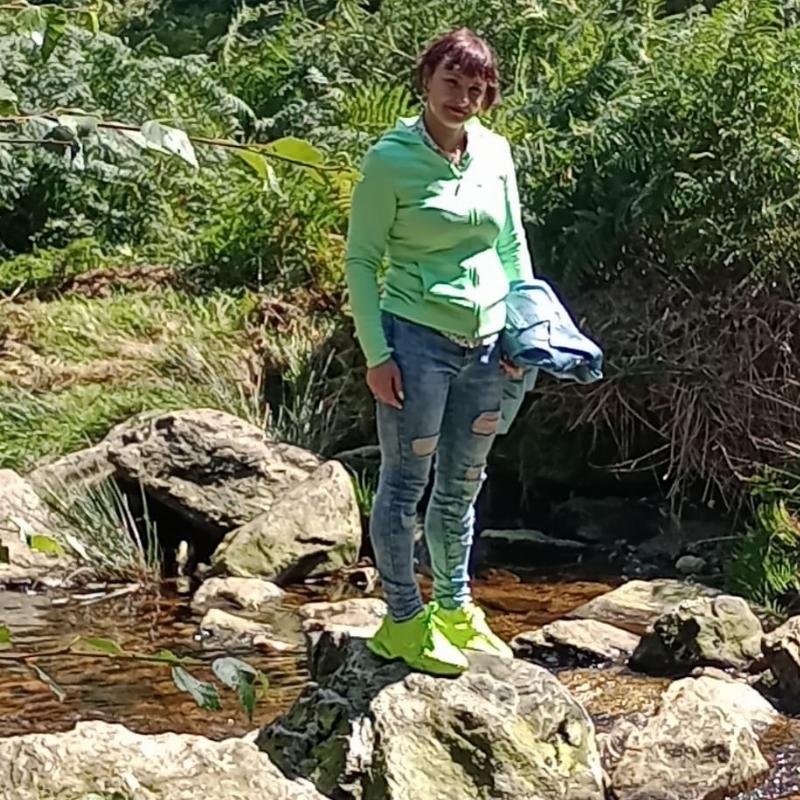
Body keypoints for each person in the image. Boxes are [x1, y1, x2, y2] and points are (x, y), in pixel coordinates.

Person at [344, 27, 534, 676]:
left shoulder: (495, 153)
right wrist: (377, 355)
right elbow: (362, 261)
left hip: (487, 347)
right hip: (415, 345)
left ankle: (454, 607)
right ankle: (403, 620)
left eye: (477, 88)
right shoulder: (389, 160)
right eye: (451, 82)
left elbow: (512, 247)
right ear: (425, 80)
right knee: (405, 487)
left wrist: (520, 332)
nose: (463, 97)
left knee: (461, 485)